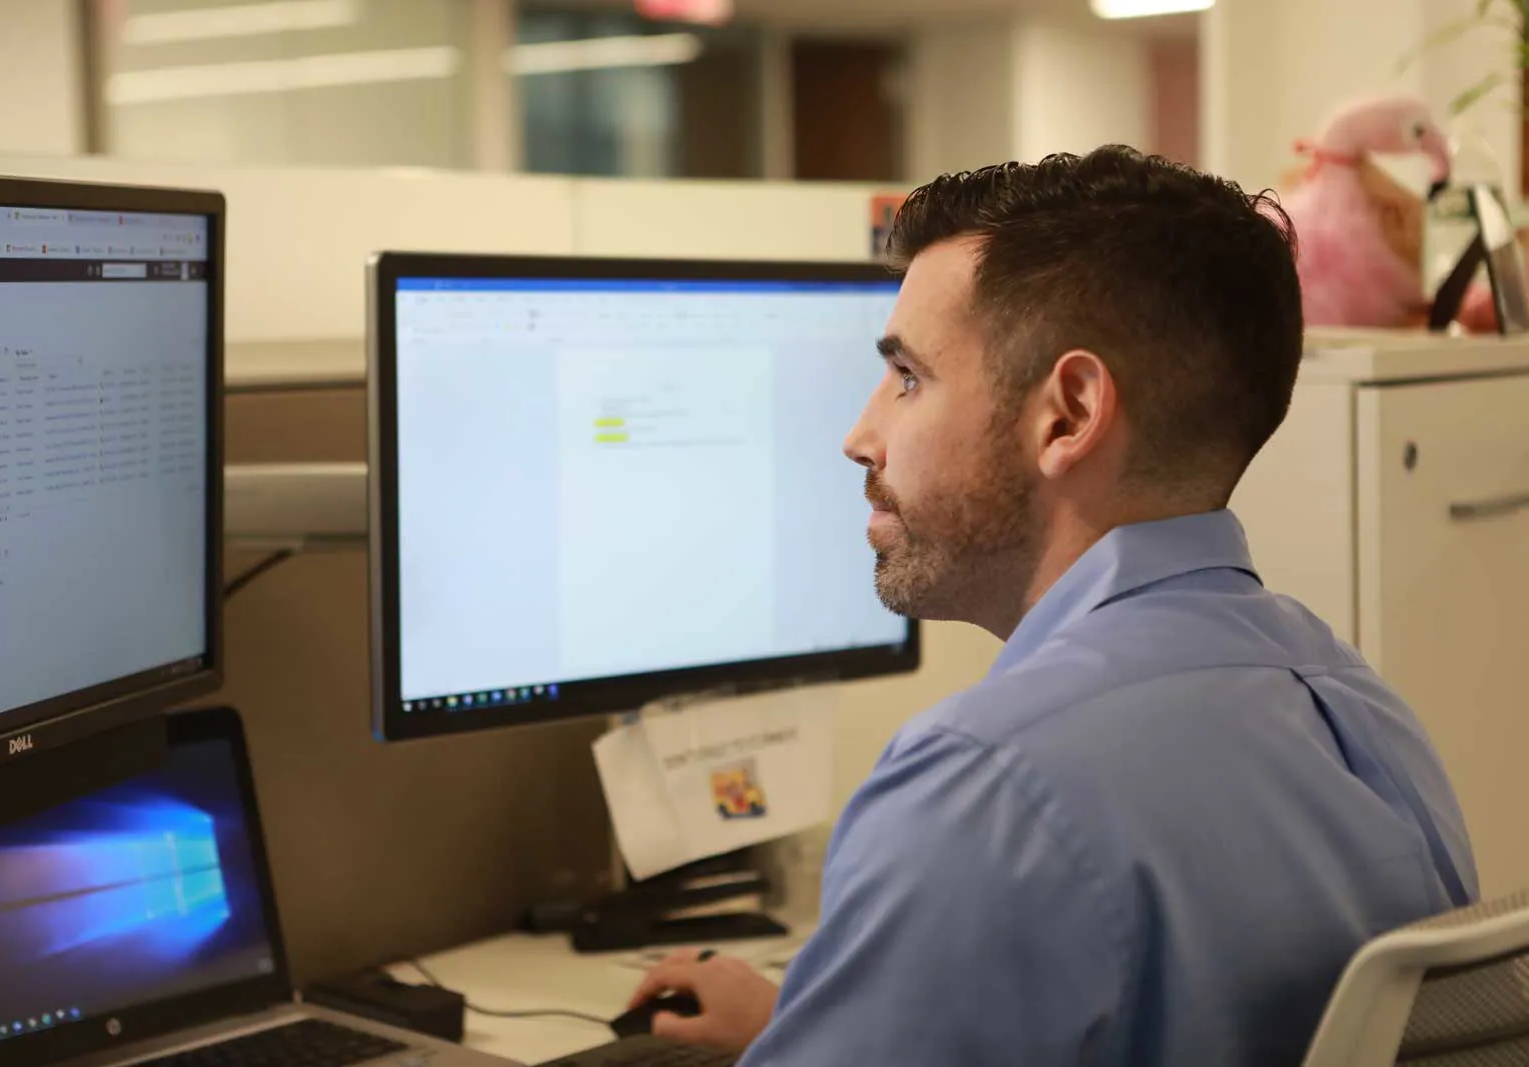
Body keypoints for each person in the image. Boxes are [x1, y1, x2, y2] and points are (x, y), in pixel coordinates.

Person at [625, 146, 1478, 1066]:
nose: (860, 435)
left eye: (908, 377)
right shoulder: (1360, 712)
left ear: (1068, 415)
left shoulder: (982, 783)